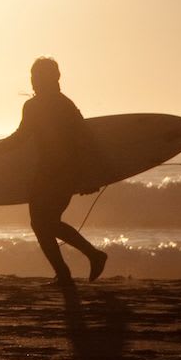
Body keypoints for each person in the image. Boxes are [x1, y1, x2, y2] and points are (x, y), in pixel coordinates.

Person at [19, 57, 108, 285]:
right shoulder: (44, 105)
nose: (33, 81)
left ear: (54, 78)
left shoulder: (60, 105)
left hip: (62, 173)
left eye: (38, 77)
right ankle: (79, 264)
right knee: (43, 223)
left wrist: (92, 176)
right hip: (50, 173)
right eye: (32, 76)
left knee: (43, 223)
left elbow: (86, 139)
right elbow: (22, 138)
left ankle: (78, 265)